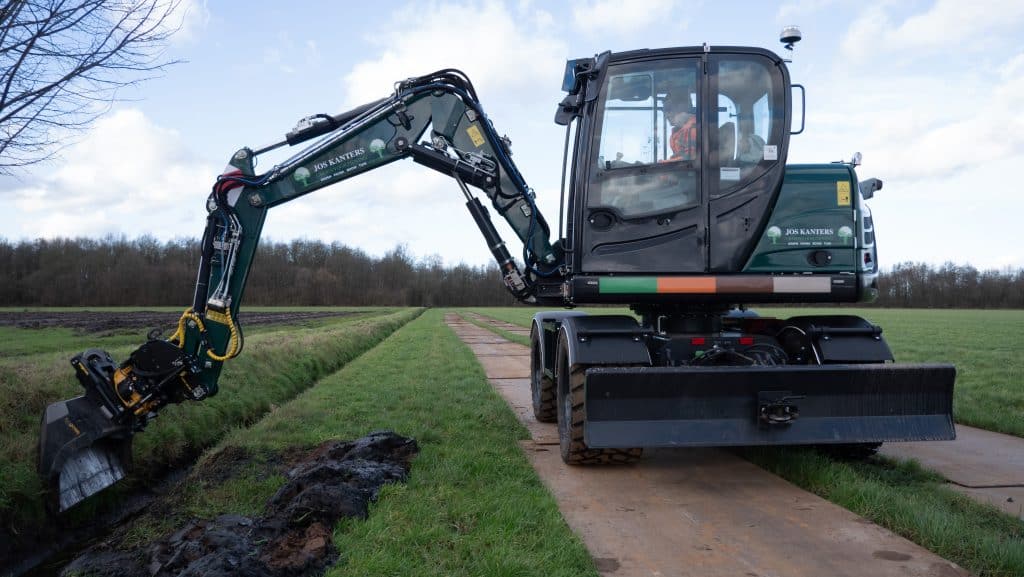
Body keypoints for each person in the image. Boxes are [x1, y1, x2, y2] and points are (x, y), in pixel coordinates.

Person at [665, 93, 697, 161]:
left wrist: (660, 165)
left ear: (682, 108)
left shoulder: (694, 129)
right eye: (664, 111)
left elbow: (689, 159)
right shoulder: (678, 132)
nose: (666, 115)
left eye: (669, 109)